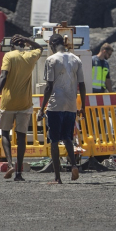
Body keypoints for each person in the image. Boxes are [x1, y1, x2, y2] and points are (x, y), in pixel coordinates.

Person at [0, 34, 44, 182]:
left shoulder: (9, 56)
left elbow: (3, 76)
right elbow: (40, 47)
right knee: (21, 136)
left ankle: (9, 164)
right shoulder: (31, 55)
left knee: (5, 133)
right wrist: (28, 40)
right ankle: (19, 173)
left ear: (12, 45)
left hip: (8, 102)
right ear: (24, 44)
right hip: (25, 103)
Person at [41, 33, 87, 184]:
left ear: (52, 44)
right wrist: (83, 107)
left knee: (54, 140)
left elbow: (49, 86)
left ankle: (57, 177)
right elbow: (82, 84)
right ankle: (73, 165)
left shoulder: (51, 60)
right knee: (67, 137)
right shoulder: (76, 59)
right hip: (71, 104)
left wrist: (42, 108)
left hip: (56, 103)